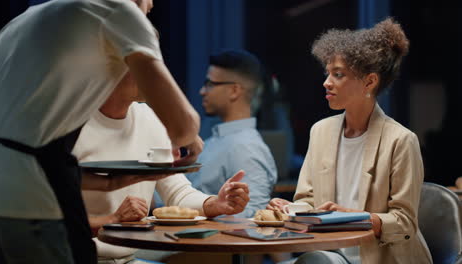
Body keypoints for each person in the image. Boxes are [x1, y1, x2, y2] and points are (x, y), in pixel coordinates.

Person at [0, 0, 202, 263]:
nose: (151, 5)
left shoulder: (24, 21)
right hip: (36, 198)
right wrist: (189, 136)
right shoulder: (120, 11)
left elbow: (24, 137)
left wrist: (106, 183)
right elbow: (182, 128)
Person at [268, 18, 433, 264]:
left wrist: (355, 217)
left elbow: (405, 223)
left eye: (338, 74)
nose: (326, 82)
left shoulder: (401, 140)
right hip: (329, 256)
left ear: (369, 81)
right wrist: (290, 209)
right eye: (328, 73)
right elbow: (308, 202)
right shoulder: (320, 131)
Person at [75, 72, 249, 264]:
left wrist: (214, 203)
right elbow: (50, 221)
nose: (155, 73)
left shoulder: (149, 118)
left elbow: (177, 192)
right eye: (145, 58)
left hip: (128, 258)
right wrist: (112, 219)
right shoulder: (69, 123)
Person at [185, 50, 277, 218]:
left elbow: (252, 218)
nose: (202, 91)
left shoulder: (246, 148)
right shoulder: (218, 139)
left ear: (234, 90)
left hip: (208, 242)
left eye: (210, 84)